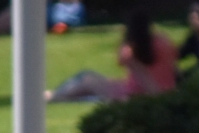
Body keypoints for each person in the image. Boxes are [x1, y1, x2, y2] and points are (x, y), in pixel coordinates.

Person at [50, 8, 181, 102]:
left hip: (134, 94)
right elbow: (174, 68)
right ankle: (55, 95)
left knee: (86, 78)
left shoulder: (130, 52)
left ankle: (54, 97)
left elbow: (145, 81)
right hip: (167, 89)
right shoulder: (164, 42)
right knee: (86, 83)